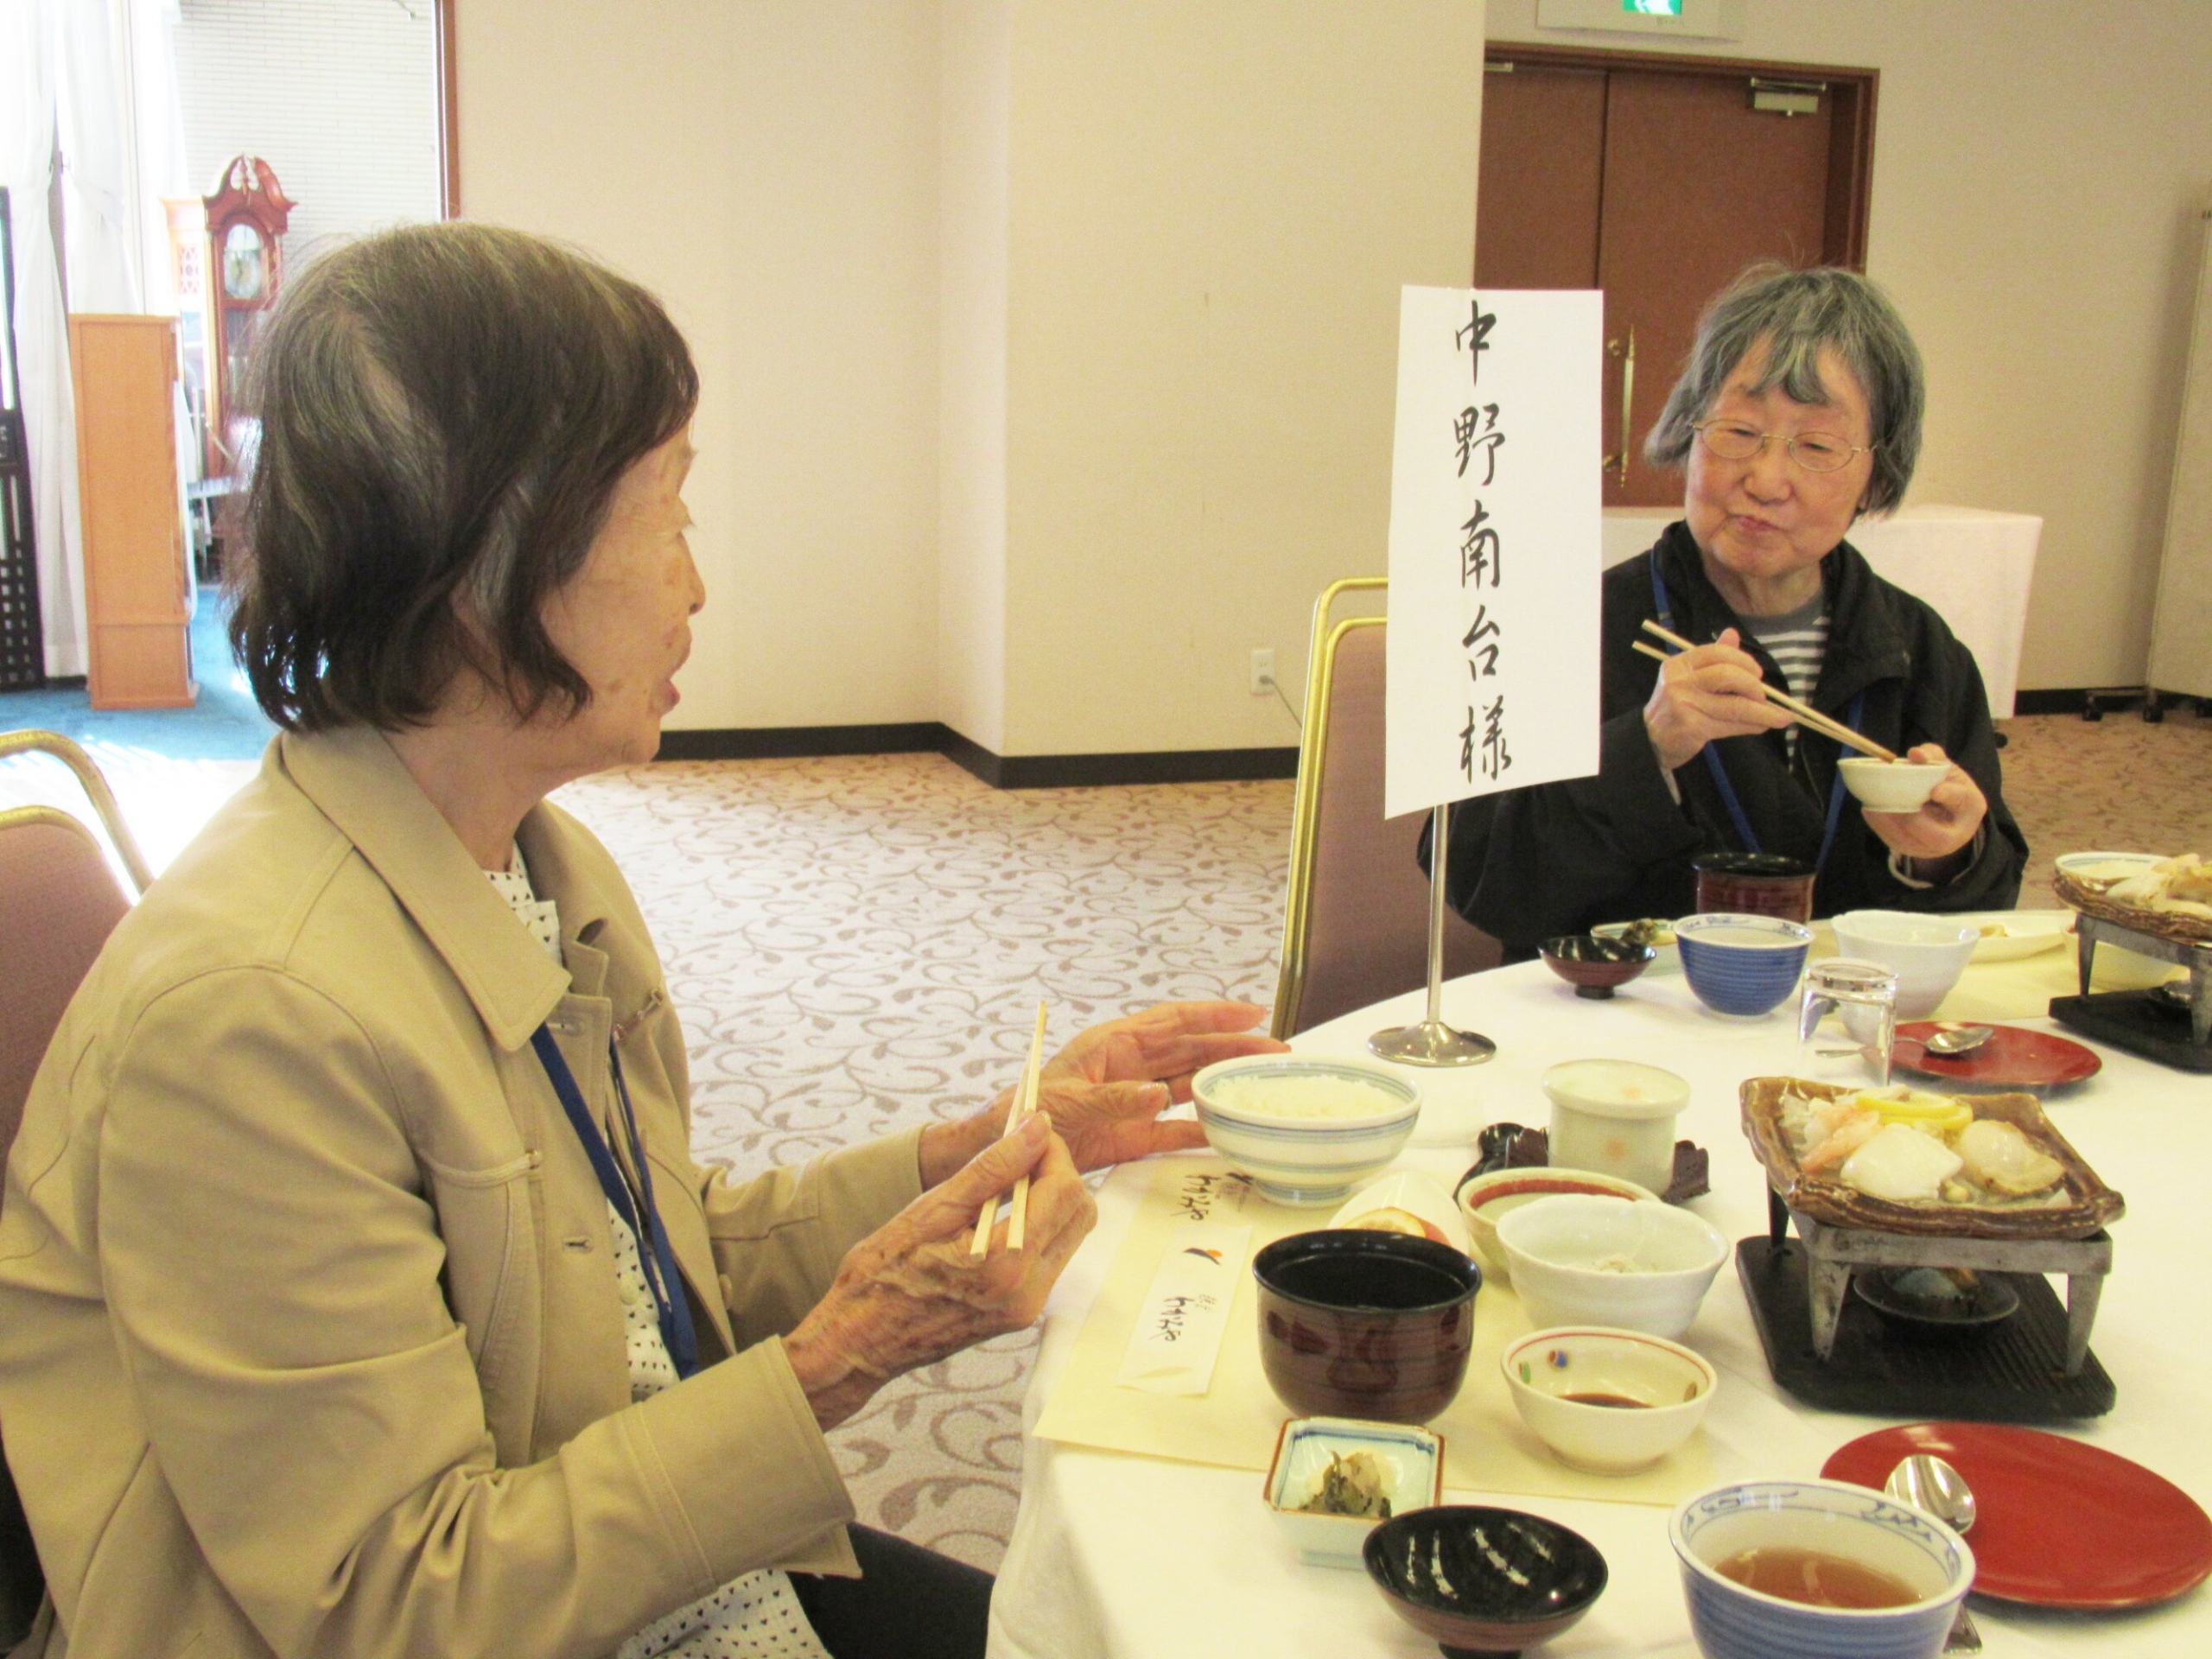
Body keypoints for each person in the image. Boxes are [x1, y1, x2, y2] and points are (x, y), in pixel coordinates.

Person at [0, 224, 1282, 1659]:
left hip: (601, 1541)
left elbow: (630, 1264)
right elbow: (397, 1606)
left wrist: (975, 1150)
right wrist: (843, 1358)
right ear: (493, 560)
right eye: (666, 512)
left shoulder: (529, 865)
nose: (697, 585)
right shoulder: (250, 1019)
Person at [1432, 264, 2025, 955]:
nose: (1766, 480)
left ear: (1878, 475)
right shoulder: (1568, 627)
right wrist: (1647, 750)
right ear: (1687, 433)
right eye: (1739, 432)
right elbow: (1478, 880)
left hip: (1838, 1032)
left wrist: (1945, 856)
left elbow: (1989, 902)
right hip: (1618, 1026)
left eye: (1817, 447)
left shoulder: (1918, 648)